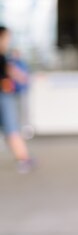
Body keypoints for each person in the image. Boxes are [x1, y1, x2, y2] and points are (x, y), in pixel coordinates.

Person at [0, 26, 35, 173]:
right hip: (3, 95)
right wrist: (22, 77)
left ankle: (23, 157)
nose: (8, 40)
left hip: (5, 94)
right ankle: (23, 159)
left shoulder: (5, 55)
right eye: (7, 37)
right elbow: (10, 71)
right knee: (12, 127)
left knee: (11, 127)